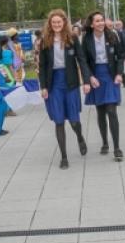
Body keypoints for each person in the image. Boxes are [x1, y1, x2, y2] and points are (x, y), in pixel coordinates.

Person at [39, 9, 92, 169]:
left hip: (70, 82)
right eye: (53, 22)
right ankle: (63, 156)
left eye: (59, 22)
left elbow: (81, 60)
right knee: (59, 120)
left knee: (74, 120)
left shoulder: (72, 38)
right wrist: (43, 87)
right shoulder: (45, 41)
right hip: (54, 83)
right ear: (50, 24)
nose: (56, 25)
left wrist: (87, 81)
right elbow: (42, 65)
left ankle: (80, 137)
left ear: (64, 23)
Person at [82, 11, 125, 161]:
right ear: (92, 24)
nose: (101, 23)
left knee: (112, 111)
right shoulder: (87, 39)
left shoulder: (112, 35)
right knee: (101, 111)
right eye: (97, 21)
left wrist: (120, 73)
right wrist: (90, 78)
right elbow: (84, 61)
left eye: (102, 20)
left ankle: (117, 147)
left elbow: (121, 56)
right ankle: (105, 142)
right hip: (96, 76)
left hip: (111, 75)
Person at [113, 19, 125, 88]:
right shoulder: (113, 33)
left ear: (122, 25)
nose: (118, 26)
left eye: (119, 24)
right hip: (115, 54)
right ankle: (117, 80)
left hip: (123, 53)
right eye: (116, 25)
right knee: (117, 68)